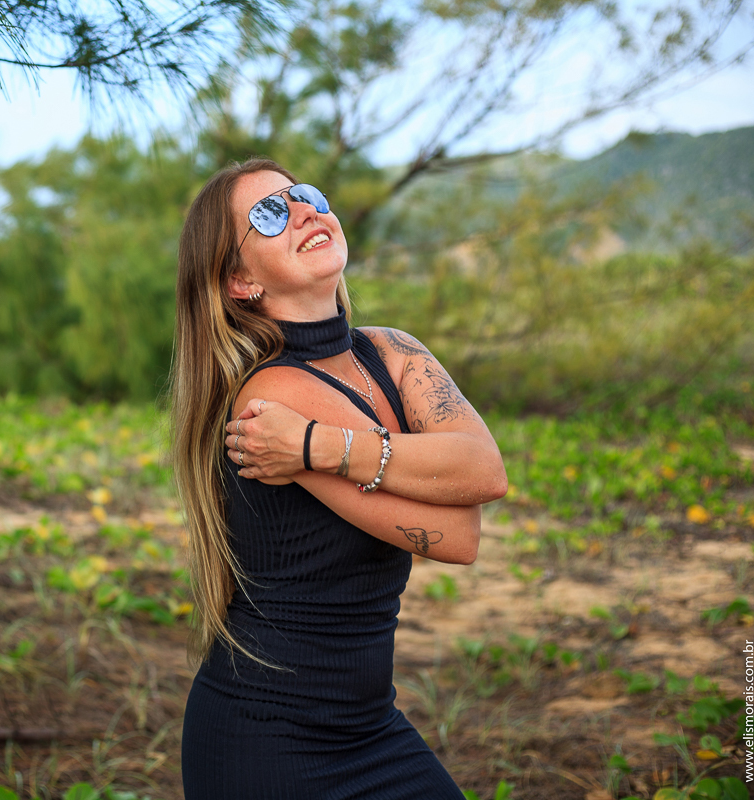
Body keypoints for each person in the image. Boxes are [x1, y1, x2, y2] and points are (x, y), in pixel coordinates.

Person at [172, 157, 508, 798]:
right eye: (270, 214)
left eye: (305, 195)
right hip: (266, 741)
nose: (303, 211)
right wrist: (410, 461)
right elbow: (457, 532)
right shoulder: (270, 398)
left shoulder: (393, 352)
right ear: (240, 281)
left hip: (367, 725)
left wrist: (317, 446)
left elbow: (483, 471)